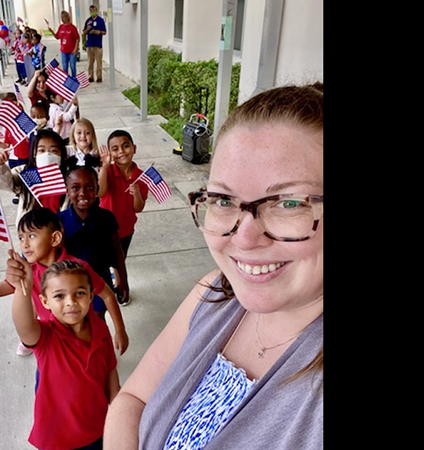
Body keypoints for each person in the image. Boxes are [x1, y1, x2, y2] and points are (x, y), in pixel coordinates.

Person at [103, 82, 324, 450]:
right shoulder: (215, 293)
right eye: (223, 199)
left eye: (288, 203)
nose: (244, 238)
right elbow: (132, 400)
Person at [0, 207, 129, 356]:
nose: (24, 244)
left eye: (32, 236)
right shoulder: (28, 274)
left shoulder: (78, 268)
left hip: (85, 340)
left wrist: (120, 331)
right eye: (21, 237)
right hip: (51, 347)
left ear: (55, 238)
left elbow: (107, 295)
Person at [6, 258, 120, 450]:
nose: (71, 302)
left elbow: (109, 372)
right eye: (59, 296)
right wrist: (21, 289)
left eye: (80, 293)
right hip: (58, 440)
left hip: (98, 430)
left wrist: (120, 413)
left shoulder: (100, 328)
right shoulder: (45, 336)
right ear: (45, 302)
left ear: (91, 297)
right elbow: (24, 325)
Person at [59, 155, 130, 311]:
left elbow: (117, 250)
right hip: (70, 287)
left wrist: (123, 279)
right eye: (76, 188)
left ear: (97, 188)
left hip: (100, 284)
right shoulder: (59, 222)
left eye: (89, 187)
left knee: (98, 318)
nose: (83, 193)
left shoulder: (106, 218)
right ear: (67, 189)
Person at [0, 129, 68, 227]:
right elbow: (7, 183)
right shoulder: (25, 173)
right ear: (34, 154)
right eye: (42, 150)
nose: (47, 154)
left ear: (62, 154)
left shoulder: (69, 177)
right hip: (31, 230)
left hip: (59, 229)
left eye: (54, 151)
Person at [98, 130, 149, 260]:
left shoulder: (141, 177)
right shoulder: (108, 172)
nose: (121, 151)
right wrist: (104, 167)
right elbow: (100, 192)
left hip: (125, 230)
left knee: (119, 261)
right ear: (110, 153)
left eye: (125, 146)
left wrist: (137, 194)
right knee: (103, 262)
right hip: (104, 229)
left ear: (134, 148)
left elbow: (138, 208)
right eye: (115, 149)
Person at [0, 92, 30, 169]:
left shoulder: (27, 125)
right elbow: (6, 145)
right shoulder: (9, 129)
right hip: (13, 157)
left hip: (25, 157)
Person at [46, 11, 80, 77]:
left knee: (72, 66)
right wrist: (52, 32)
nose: (62, 19)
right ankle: (66, 79)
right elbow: (57, 37)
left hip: (72, 51)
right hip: (63, 51)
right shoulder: (61, 27)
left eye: (63, 17)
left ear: (67, 17)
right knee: (65, 66)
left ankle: (74, 79)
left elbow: (77, 39)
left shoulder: (72, 27)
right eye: (61, 17)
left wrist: (76, 49)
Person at [82, 4, 106, 82]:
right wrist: (88, 29)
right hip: (90, 44)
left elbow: (104, 32)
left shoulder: (100, 20)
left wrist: (98, 32)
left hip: (98, 44)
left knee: (99, 62)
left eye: (93, 10)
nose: (92, 12)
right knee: (90, 62)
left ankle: (99, 77)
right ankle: (90, 76)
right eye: (91, 11)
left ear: (96, 11)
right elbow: (83, 33)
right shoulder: (88, 21)